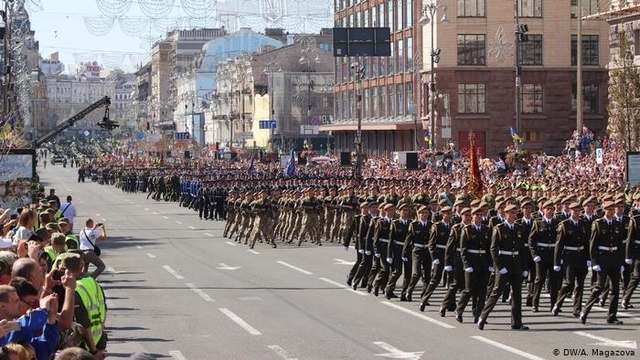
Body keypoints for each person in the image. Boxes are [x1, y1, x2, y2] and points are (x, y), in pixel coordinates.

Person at [477, 204, 529, 330]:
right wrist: (499, 266)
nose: (514, 214)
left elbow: (522, 250)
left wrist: (525, 268)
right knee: (496, 292)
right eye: (511, 212)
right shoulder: (499, 228)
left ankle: (516, 322)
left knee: (517, 294)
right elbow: (493, 249)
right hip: (504, 263)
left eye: (515, 212)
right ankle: (482, 317)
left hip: (516, 263)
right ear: (506, 214)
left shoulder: (519, 228)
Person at [579, 201, 625, 325]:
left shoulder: (617, 224)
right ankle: (585, 311)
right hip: (602, 259)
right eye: (608, 209)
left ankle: (612, 316)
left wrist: (621, 262)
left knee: (615, 289)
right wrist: (594, 261)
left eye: (612, 209)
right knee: (599, 287)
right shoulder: (598, 224)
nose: (610, 212)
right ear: (604, 210)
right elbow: (592, 244)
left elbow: (620, 245)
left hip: (614, 258)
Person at [59, 253, 107, 360]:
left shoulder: (74, 290)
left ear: (63, 269)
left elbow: (84, 324)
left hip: (84, 347)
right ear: (81, 267)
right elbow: (104, 310)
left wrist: (93, 351)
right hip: (99, 339)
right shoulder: (93, 282)